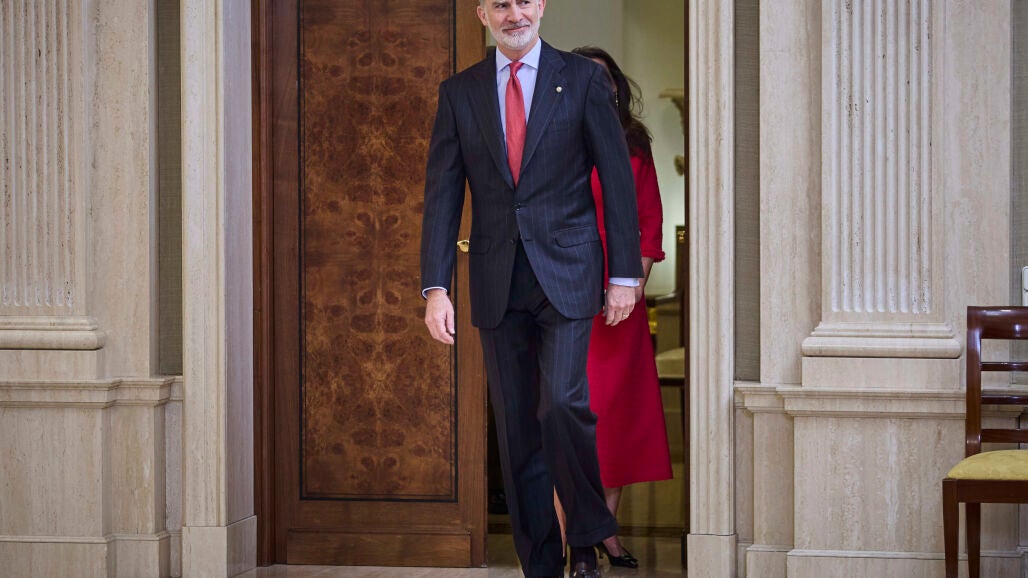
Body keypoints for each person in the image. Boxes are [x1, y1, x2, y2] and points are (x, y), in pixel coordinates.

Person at [419, 1, 644, 576]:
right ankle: (540, 564)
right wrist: (436, 288)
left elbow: (617, 179)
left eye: (523, 1)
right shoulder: (459, 93)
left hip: (568, 275)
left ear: (541, 6)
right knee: (518, 431)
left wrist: (624, 275)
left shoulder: (583, 79)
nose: (514, 14)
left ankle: (587, 536)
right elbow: (443, 194)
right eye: (501, 4)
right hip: (497, 280)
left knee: (562, 405)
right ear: (482, 14)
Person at [553, 46, 673, 569]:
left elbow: (649, 224)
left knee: (616, 421)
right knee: (566, 420)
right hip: (563, 297)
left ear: (617, 89)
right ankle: (567, 538)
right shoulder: (550, 137)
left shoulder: (633, 145)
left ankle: (607, 533)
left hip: (619, 303)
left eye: (604, 81)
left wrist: (630, 287)